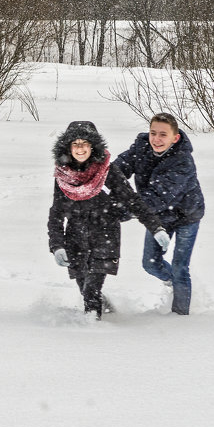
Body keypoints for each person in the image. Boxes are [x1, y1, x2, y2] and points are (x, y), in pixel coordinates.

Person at [48, 121, 170, 320]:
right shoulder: (62, 175)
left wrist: (156, 228)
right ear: (68, 147)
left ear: (93, 146)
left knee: (91, 291)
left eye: (84, 143)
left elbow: (132, 200)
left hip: (104, 237)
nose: (80, 149)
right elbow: (56, 213)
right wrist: (57, 245)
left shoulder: (107, 171)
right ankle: (110, 314)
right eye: (75, 144)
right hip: (75, 240)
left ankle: (93, 332)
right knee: (83, 288)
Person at [113, 113, 205, 315]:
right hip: (160, 216)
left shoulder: (182, 162)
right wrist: (95, 183)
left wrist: (119, 212)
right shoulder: (141, 147)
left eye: (163, 134)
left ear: (175, 137)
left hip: (186, 217)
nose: (156, 139)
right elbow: (118, 169)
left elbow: (156, 197)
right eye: (153, 133)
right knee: (150, 263)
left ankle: (180, 316)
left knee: (180, 267)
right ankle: (175, 283)